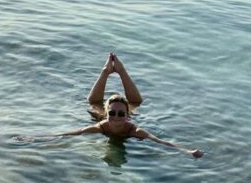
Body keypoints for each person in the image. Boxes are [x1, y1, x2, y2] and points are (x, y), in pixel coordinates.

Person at [18, 52, 203, 158]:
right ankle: (106, 72)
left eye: (120, 114)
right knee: (94, 105)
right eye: (112, 113)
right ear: (108, 114)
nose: (115, 117)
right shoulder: (101, 125)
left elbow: (160, 142)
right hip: (101, 113)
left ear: (127, 117)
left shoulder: (134, 130)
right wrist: (36, 139)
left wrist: (187, 151)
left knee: (134, 104)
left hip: (128, 112)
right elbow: (70, 133)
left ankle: (120, 71)